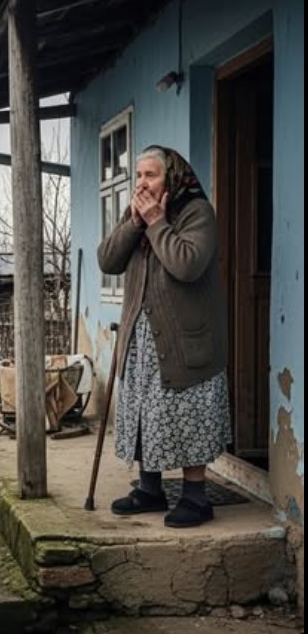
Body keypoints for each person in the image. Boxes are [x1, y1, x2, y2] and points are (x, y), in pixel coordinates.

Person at [97, 144, 232, 529]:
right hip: (141, 339)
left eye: (150, 174)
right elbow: (108, 259)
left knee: (189, 412)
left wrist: (157, 222)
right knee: (145, 412)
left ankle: (196, 498)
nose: (142, 182)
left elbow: (186, 265)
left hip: (185, 339)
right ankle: (149, 489)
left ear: (171, 176)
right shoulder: (136, 215)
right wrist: (137, 222)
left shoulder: (197, 213)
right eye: (138, 175)